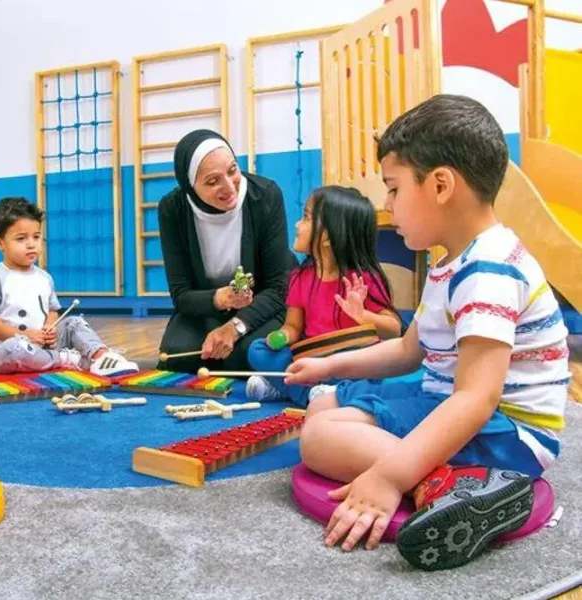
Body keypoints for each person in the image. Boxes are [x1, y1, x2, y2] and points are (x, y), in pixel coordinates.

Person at [285, 95, 570, 570]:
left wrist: (391, 478)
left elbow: (475, 399)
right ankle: (441, 475)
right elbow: (408, 349)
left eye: (394, 189)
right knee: (324, 400)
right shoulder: (451, 261)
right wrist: (328, 367)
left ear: (440, 185)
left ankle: (448, 485)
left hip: (507, 435)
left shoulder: (488, 270)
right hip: (457, 405)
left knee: (319, 438)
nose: (388, 204)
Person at [246, 185, 401, 405]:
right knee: (258, 349)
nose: (298, 224)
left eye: (306, 217)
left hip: (351, 361)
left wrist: (364, 315)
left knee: (368, 377)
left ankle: (292, 388)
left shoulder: (362, 278)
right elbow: (293, 327)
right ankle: (317, 393)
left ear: (328, 236)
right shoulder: (300, 277)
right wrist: (281, 337)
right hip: (312, 358)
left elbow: (394, 330)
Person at [156, 129, 296, 373]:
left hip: (263, 301)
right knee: (177, 357)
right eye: (212, 181)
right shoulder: (172, 210)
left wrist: (235, 327)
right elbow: (181, 295)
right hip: (208, 305)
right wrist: (220, 299)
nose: (229, 186)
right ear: (190, 186)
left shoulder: (266, 196)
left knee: (242, 355)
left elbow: (278, 287)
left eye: (232, 171)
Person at [0, 197, 138, 377]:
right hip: (4, 350)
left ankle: (100, 356)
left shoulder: (44, 278)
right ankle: (72, 360)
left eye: (36, 237)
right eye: (21, 238)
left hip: (42, 345)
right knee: (16, 348)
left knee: (73, 322)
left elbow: (52, 310)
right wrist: (25, 336)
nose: (31, 244)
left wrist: (50, 326)